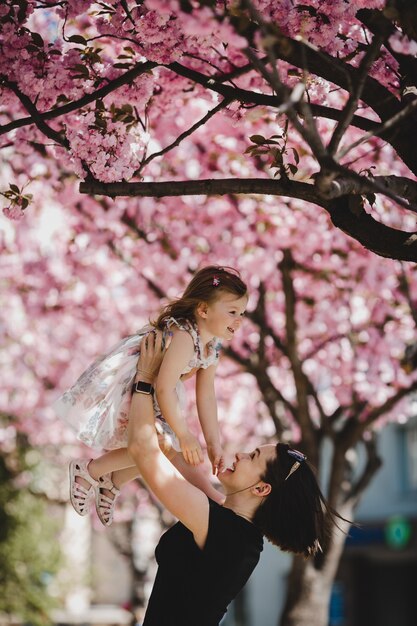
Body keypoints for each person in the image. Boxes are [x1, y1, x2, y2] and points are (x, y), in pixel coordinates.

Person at [129, 331, 340, 626]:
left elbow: (142, 449)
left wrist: (144, 380)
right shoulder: (233, 525)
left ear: (261, 488)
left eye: (252, 457)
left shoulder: (229, 533)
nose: (240, 455)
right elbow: (174, 459)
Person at [55, 266, 248, 525]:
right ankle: (89, 471)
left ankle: (114, 480)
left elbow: (207, 397)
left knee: (164, 447)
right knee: (159, 443)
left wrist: (214, 444)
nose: (239, 320)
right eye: (232, 312)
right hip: (136, 384)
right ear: (203, 310)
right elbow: (164, 387)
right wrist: (184, 433)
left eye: (242, 313)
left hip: (157, 393)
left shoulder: (210, 346)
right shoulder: (185, 337)